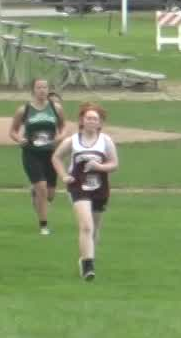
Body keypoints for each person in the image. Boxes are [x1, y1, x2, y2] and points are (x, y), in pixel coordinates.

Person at [53, 103, 117, 282]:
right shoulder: (72, 141)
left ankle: (87, 257)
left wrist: (100, 166)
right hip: (78, 187)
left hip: (100, 187)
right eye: (88, 118)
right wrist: (64, 176)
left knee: (95, 228)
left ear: (100, 123)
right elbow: (57, 157)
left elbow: (114, 164)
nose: (91, 121)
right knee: (86, 226)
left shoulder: (106, 141)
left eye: (95, 119)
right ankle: (88, 266)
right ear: (81, 120)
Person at [9, 79, 65, 235]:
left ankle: (36, 193)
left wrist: (60, 137)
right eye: (38, 87)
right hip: (31, 153)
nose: (42, 90)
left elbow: (63, 127)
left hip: (51, 154)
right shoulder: (24, 110)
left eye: (45, 87)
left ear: (48, 89)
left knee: (51, 194)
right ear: (33, 90)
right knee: (42, 188)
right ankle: (44, 225)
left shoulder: (56, 108)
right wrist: (19, 139)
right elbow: (13, 131)